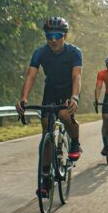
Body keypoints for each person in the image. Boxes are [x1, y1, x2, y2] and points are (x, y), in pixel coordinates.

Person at [15, 16, 83, 199]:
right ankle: (45, 178)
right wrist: (23, 98)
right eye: (49, 35)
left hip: (69, 90)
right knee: (46, 128)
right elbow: (31, 76)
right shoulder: (40, 53)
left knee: (64, 115)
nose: (53, 39)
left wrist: (74, 98)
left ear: (65, 36)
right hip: (51, 90)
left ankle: (75, 142)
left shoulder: (74, 52)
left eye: (57, 35)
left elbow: (77, 77)